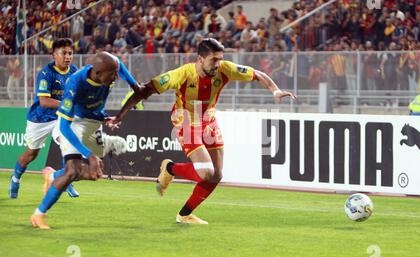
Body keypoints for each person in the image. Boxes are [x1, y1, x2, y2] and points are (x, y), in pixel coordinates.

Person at [110, 38, 296, 225]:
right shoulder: (182, 74)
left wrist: (275, 90)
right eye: (213, 60)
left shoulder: (225, 68)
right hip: (185, 120)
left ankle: (184, 214)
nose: (218, 64)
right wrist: (119, 116)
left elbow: (256, 74)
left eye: (220, 59)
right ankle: (170, 169)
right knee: (206, 173)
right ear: (200, 59)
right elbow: (145, 91)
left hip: (208, 120)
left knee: (217, 175)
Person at [30, 51, 144, 229]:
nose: (116, 77)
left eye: (116, 73)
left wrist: (134, 86)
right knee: (72, 171)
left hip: (94, 122)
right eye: (112, 74)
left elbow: (119, 66)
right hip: (74, 123)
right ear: (97, 73)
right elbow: (64, 128)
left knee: (94, 174)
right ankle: (39, 215)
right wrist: (88, 154)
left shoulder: (108, 70)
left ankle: (52, 176)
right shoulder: (75, 84)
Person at [9, 38, 80, 199]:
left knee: (68, 144)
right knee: (30, 154)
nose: (68, 56)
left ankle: (66, 180)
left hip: (59, 118)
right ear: (54, 54)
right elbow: (44, 101)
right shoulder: (46, 73)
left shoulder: (74, 72)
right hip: (39, 119)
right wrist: (67, 104)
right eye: (64, 53)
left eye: (70, 53)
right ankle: (15, 178)